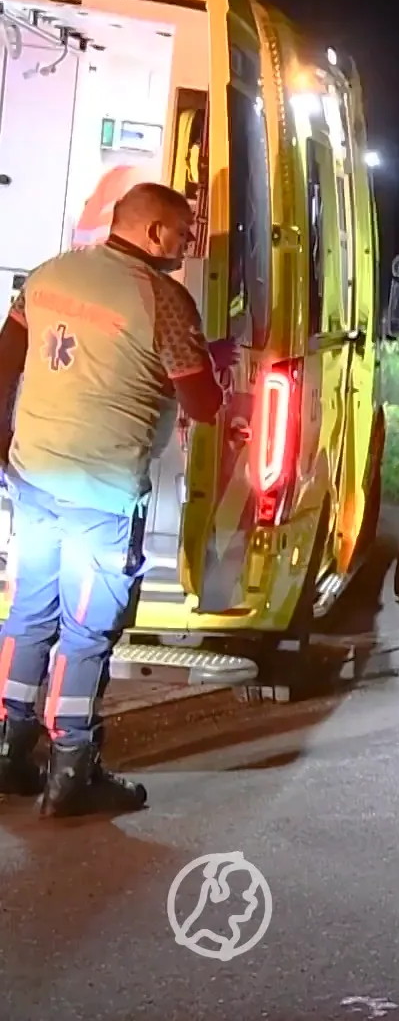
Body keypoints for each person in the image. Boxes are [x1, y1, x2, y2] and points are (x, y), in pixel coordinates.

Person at [0, 182, 236, 816]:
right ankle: (72, 769)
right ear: (154, 233)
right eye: (183, 233)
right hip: (99, 493)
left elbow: (7, 359)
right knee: (87, 631)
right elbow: (202, 404)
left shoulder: (50, 274)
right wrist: (212, 363)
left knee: (27, 614)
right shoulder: (164, 299)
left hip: (32, 475)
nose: (187, 245)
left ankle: (7, 747)